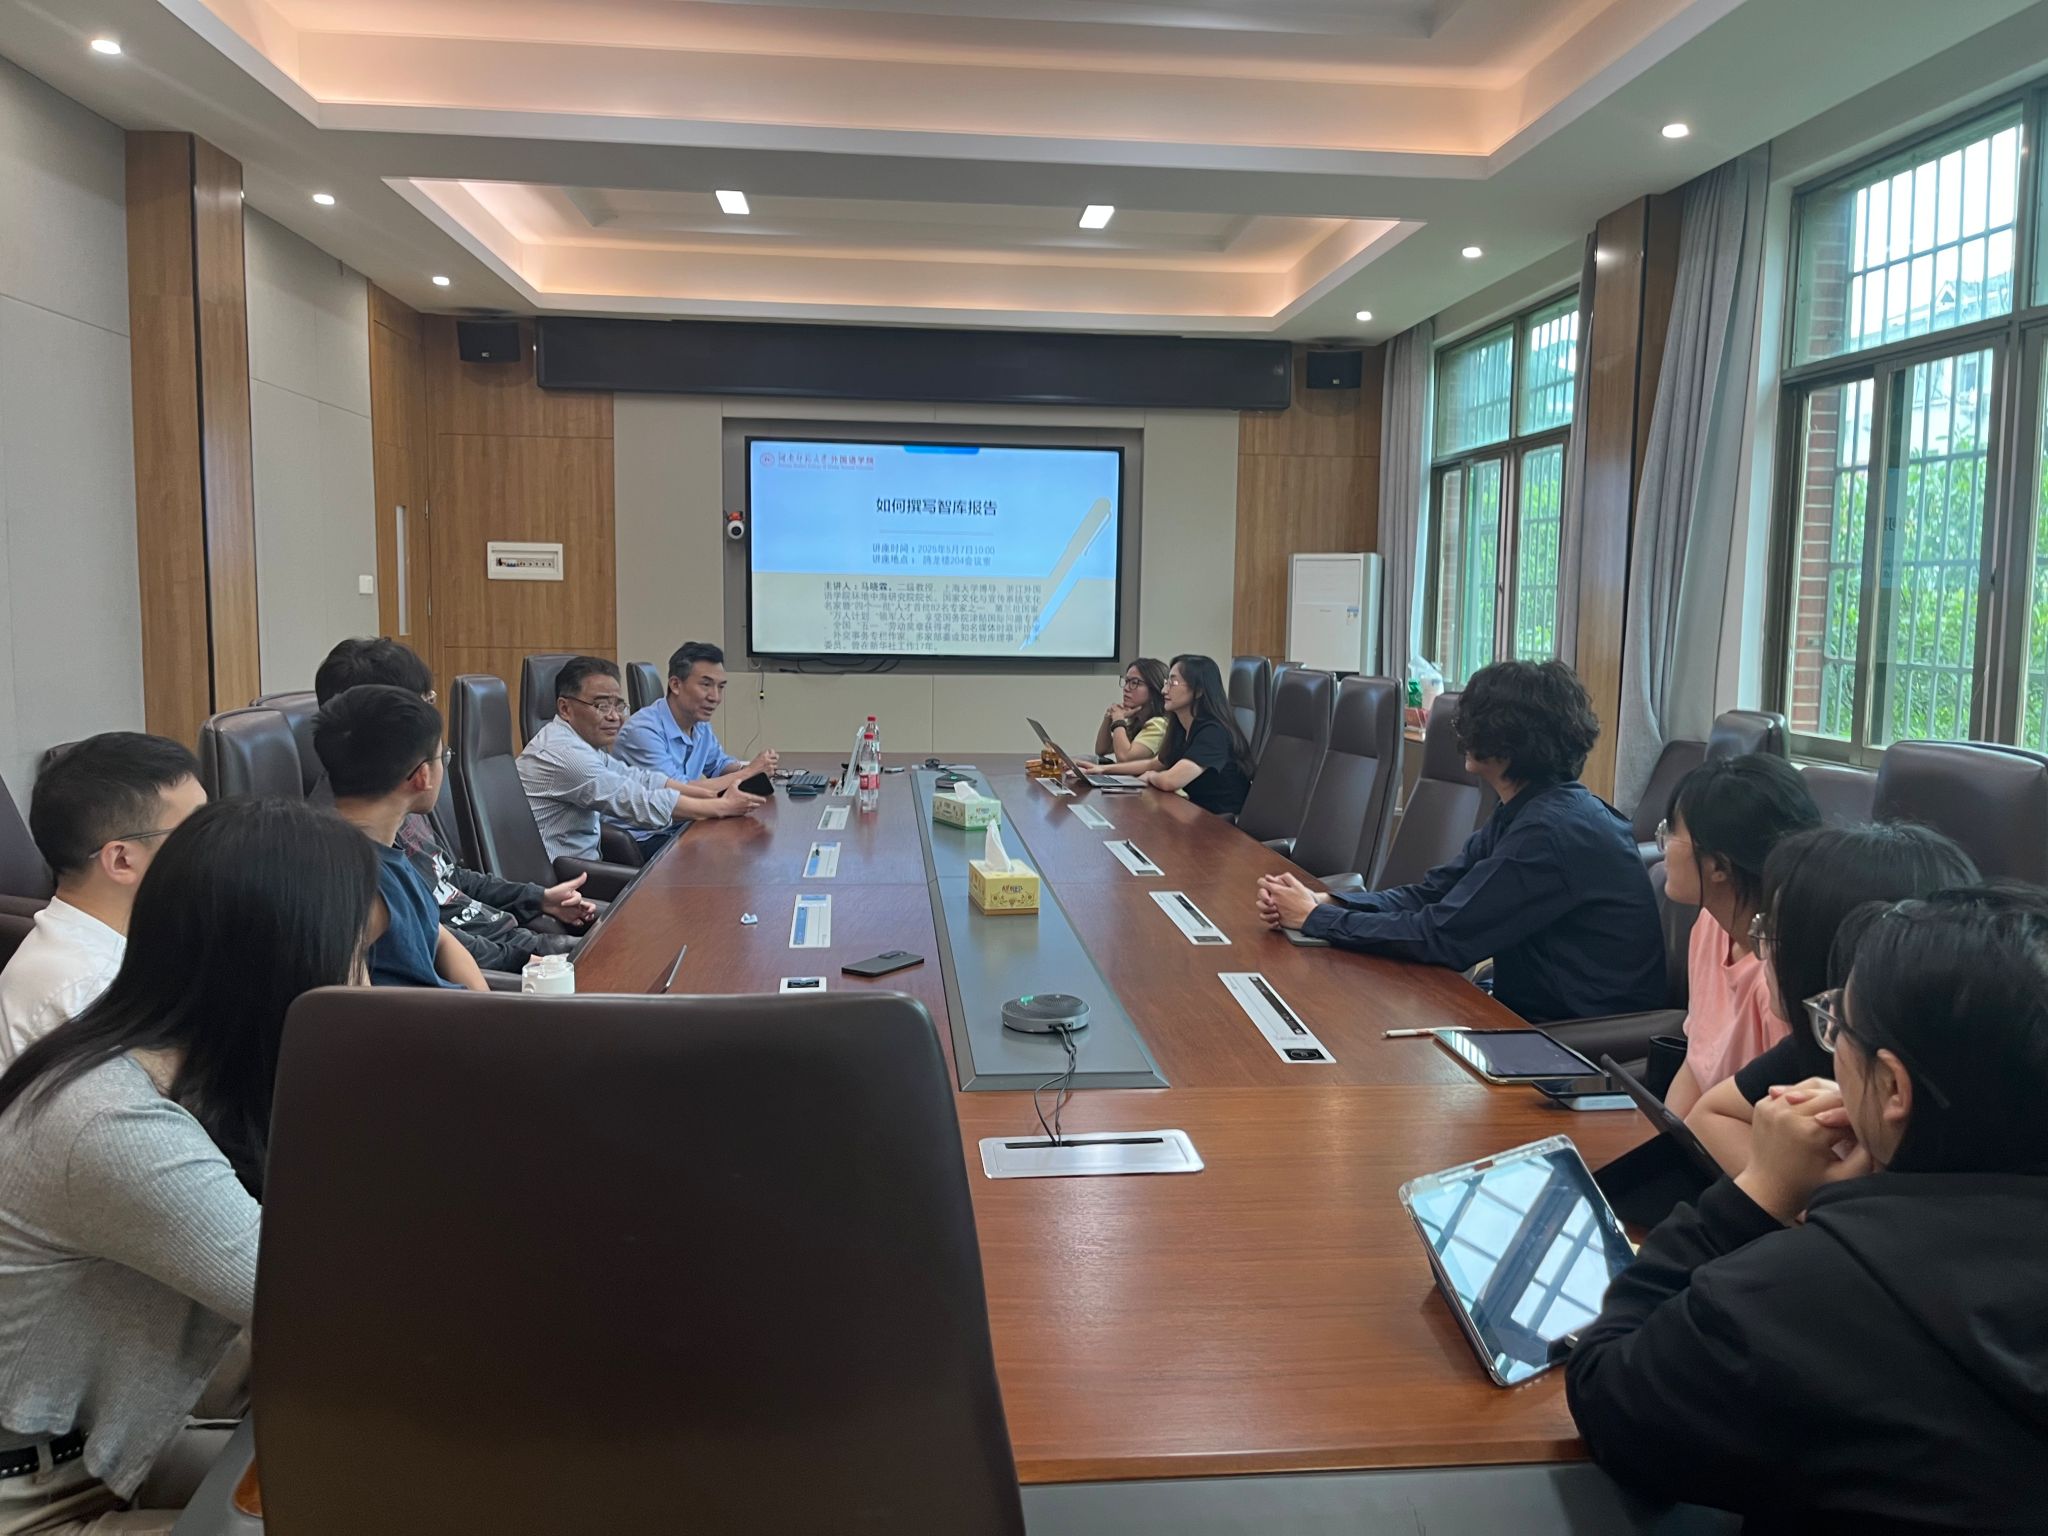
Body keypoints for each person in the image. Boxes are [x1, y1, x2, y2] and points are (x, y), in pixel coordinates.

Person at [1566, 883, 2048, 1532]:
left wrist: (1756, 1193)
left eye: (1838, 1027)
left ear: (1893, 1087)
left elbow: (1611, 1398)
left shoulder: (1810, 1296)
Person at [0, 797, 383, 1533]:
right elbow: (341, 1310)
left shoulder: (180, 1069)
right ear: (281, 961)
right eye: (355, 956)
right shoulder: (111, 1123)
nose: (366, 986)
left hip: (113, 1444)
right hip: (35, 1499)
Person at [1255, 660, 1664, 1023]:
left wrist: (1316, 919)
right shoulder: (1529, 810)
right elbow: (1433, 894)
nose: (1462, 735)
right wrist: (1329, 902)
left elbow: (1443, 937)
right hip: (1532, 1009)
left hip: (1574, 1038)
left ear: (1509, 740)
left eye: (1471, 724)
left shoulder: (1552, 833)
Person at [1686, 822, 1978, 1173]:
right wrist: (1802, 1185)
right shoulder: (1821, 1036)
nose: (1763, 954)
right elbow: (1708, 1115)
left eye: (1773, 934)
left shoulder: (1928, 1089)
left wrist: (1781, 1188)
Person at [314, 638, 597, 973]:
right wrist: (532, 962)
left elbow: (447, 878)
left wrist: (538, 898)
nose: (434, 713)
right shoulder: (357, 843)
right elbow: (429, 941)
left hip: (504, 942)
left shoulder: (401, 802)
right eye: (425, 702)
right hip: (495, 967)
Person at [0, 734, 206, 1065]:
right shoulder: (87, 991)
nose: (212, 842)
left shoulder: (134, 937)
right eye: (196, 830)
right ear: (122, 860)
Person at [1656, 755, 1821, 1116]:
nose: (1663, 843)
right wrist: (1665, 1136)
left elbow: (1780, 1124)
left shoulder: (1778, 979)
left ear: (1718, 865)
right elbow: (1698, 1062)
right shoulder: (1710, 924)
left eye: (1672, 831)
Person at [314, 685, 488, 991]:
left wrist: (487, 1009)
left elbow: (439, 938)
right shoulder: (346, 880)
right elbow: (353, 1008)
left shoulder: (388, 849)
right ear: (422, 776)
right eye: (443, 757)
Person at [518, 657, 764, 863]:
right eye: (601, 706)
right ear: (565, 709)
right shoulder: (565, 754)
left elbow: (639, 779)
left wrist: (709, 796)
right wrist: (722, 806)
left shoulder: (581, 745)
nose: (615, 717)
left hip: (586, 867)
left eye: (618, 705)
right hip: (562, 883)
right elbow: (637, 801)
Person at [613, 642, 778, 851]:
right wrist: (749, 772)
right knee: (734, 851)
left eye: (721, 687)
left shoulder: (699, 724)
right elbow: (679, 793)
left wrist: (752, 768)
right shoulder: (643, 731)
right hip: (644, 837)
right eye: (706, 685)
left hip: (682, 824)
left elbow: (718, 764)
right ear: (675, 685)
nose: (715, 697)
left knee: (754, 840)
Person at [1109, 655, 1252, 816]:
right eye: (1166, 682)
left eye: (1173, 683)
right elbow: (1155, 764)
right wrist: (1100, 770)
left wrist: (1151, 777)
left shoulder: (1214, 732)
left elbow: (1170, 781)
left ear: (1199, 690)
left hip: (1221, 822)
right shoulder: (1181, 727)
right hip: (1196, 812)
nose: (1164, 690)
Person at [1091, 657, 1170, 770]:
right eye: (1126, 681)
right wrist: (1108, 717)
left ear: (1154, 687)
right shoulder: (1137, 720)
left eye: (1135, 683)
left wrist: (1118, 719)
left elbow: (1124, 758)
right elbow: (1102, 750)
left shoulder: (1159, 724)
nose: (1126, 688)